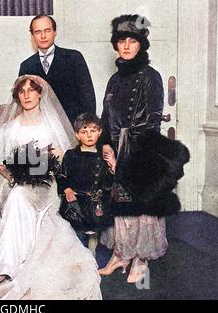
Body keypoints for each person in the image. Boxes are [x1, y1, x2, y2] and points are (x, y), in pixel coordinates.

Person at [0, 75, 101, 300]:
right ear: (17, 97)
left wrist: (45, 168)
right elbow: (1, 164)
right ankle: (9, 265)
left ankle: (9, 266)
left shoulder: (51, 125)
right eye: (22, 92)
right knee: (18, 197)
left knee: (22, 198)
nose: (27, 95)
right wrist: (13, 176)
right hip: (14, 183)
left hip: (46, 184)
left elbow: (63, 159)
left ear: (40, 93)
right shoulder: (10, 128)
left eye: (32, 90)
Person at [98, 15, 168, 283]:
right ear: (116, 46)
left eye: (132, 41)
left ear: (141, 45)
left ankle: (140, 259)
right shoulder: (114, 79)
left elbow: (153, 121)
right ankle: (121, 255)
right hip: (115, 149)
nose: (126, 46)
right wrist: (107, 148)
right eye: (121, 41)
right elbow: (106, 116)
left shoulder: (151, 77)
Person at [19, 15, 96, 125]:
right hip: (41, 130)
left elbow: (88, 98)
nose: (43, 36)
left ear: (55, 32)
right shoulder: (26, 66)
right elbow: (23, 103)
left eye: (47, 30)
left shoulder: (74, 58)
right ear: (32, 36)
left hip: (73, 128)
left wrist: (85, 128)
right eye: (38, 32)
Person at [57, 113, 115, 247]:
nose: (89, 135)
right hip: (75, 205)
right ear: (77, 135)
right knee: (76, 239)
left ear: (99, 132)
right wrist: (66, 188)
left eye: (93, 131)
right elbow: (61, 175)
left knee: (96, 241)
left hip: (95, 206)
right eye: (84, 131)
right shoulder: (71, 155)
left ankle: (93, 257)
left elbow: (108, 185)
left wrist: (112, 167)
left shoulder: (103, 157)